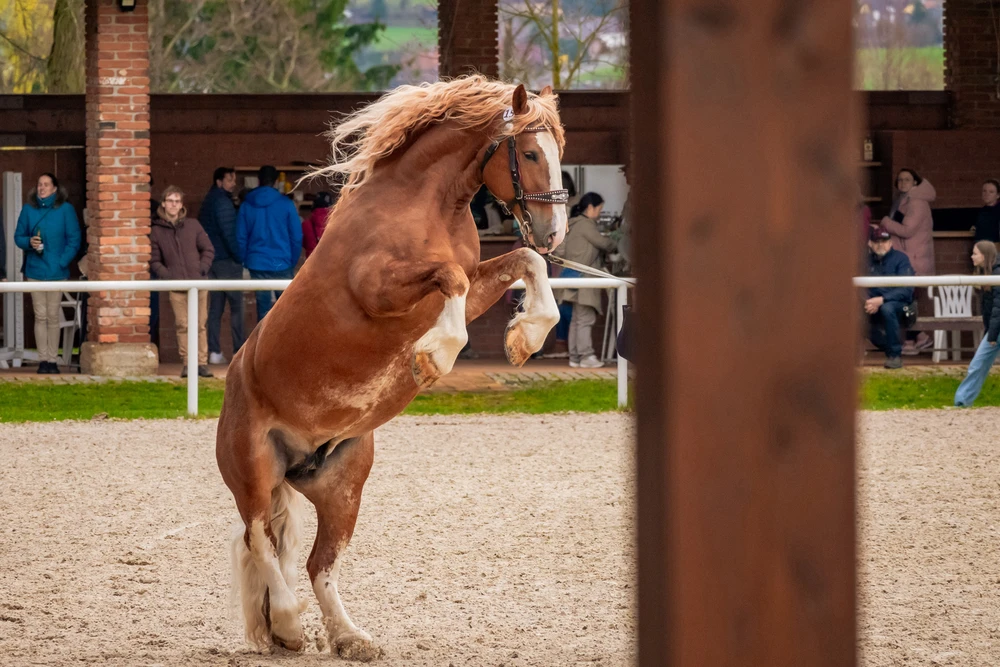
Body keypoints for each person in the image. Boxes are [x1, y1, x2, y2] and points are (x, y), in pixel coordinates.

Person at [14, 173, 81, 374]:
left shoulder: (66, 210)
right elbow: (19, 236)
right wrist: (29, 243)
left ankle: (53, 360)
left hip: (57, 272)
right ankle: (43, 360)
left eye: (46, 185)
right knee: (40, 315)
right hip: (35, 270)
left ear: (54, 189)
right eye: (39, 184)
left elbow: (74, 240)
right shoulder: (28, 209)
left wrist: (62, 262)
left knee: (53, 316)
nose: (41, 188)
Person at [149, 186, 215, 378]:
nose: (173, 205)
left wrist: (201, 268)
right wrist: (168, 276)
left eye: (177, 201)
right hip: (176, 286)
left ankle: (201, 363)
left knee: (200, 324)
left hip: (199, 283)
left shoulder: (193, 225)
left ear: (181, 205)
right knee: (183, 324)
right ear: (163, 203)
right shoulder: (157, 230)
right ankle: (188, 363)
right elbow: (154, 260)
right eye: (170, 201)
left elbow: (208, 249)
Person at [554, 192, 616, 368]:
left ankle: (575, 357)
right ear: (590, 207)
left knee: (576, 319)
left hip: (572, 277)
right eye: (600, 209)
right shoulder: (586, 225)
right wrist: (617, 240)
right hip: (585, 278)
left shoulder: (573, 224)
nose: (600, 213)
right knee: (585, 319)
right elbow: (605, 244)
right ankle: (586, 356)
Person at [880, 168, 935, 355]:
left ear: (915, 183)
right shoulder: (904, 200)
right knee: (907, 299)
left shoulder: (917, 202)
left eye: (907, 179)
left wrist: (886, 222)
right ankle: (919, 337)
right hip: (907, 257)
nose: (903, 183)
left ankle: (913, 340)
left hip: (914, 260)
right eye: (900, 180)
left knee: (907, 300)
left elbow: (907, 231)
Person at [237, 165, 303, 321]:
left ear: (258, 181)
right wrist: (291, 261)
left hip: (257, 263)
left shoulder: (246, 205)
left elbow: (240, 237)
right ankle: (285, 344)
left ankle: (263, 344)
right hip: (282, 262)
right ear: (275, 182)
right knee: (286, 309)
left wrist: (246, 260)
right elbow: (296, 236)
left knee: (263, 310)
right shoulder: (286, 204)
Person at [199, 167, 245, 365]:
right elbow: (229, 234)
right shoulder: (222, 203)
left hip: (213, 262)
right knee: (237, 308)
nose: (233, 183)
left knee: (215, 309)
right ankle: (239, 352)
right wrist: (239, 257)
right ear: (219, 182)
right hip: (227, 261)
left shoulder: (208, 201)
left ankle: (214, 352)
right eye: (229, 180)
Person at [954, 240, 1000, 406]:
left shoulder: (996, 275)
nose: (972, 257)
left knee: (978, 364)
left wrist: (992, 335)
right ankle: (962, 401)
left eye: (975, 253)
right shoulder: (989, 274)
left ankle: (962, 400)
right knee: (978, 365)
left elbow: (998, 308)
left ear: (984, 256)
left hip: (997, 329)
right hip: (995, 328)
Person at [865, 226, 915, 370]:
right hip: (871, 305)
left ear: (891, 242)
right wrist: (868, 302)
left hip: (899, 306)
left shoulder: (901, 259)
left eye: (884, 241)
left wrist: (881, 300)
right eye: (877, 241)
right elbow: (858, 286)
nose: (881, 244)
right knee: (852, 311)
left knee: (887, 309)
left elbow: (907, 290)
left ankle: (895, 356)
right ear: (870, 243)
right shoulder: (864, 261)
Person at [302, 191, 334, 257]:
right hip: (334, 262)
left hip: (312, 263)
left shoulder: (305, 225)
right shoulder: (337, 224)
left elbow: (303, 243)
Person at [972, 179, 1000, 244]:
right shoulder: (982, 211)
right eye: (984, 191)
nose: (987, 194)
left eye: (991, 192)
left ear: (998, 195)